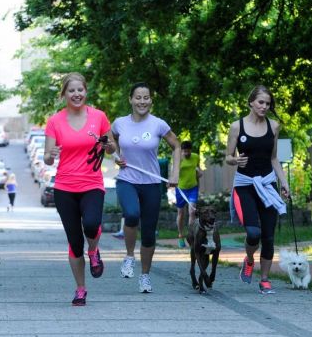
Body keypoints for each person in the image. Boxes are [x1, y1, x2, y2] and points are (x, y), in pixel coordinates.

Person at [44, 72, 115, 306]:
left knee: (92, 223)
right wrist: (50, 155)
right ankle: (80, 289)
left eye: (80, 90)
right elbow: (46, 157)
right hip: (65, 187)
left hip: (92, 183)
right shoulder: (55, 121)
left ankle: (93, 251)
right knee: (74, 242)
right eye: (71, 91)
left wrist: (109, 145)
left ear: (86, 91)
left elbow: (111, 148)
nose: (76, 94)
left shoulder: (99, 117)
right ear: (64, 94)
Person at [112, 82, 181, 293]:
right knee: (132, 214)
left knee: (149, 234)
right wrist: (116, 156)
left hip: (151, 183)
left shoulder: (158, 124)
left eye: (146, 98)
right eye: (138, 97)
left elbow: (177, 146)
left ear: (151, 100)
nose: (142, 101)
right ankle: (129, 257)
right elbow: (110, 142)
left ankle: (145, 276)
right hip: (127, 179)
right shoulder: (119, 123)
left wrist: (175, 173)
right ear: (130, 100)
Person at [225, 85, 290, 294]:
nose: (264, 106)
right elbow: (227, 157)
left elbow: (273, 158)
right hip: (244, 185)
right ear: (251, 102)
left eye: (268, 104)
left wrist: (284, 183)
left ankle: (264, 280)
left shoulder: (274, 126)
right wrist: (235, 160)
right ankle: (250, 259)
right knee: (253, 233)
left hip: (268, 185)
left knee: (269, 236)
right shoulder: (237, 126)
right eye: (261, 102)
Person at [174, 141, 203, 248]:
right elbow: (174, 173)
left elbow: (198, 169)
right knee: (181, 213)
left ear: (191, 150)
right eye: (184, 151)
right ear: (182, 151)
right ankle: (181, 235)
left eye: (188, 151)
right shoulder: (179, 159)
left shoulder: (196, 157)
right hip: (181, 189)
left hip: (193, 188)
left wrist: (199, 172)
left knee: (192, 212)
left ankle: (190, 236)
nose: (186, 153)